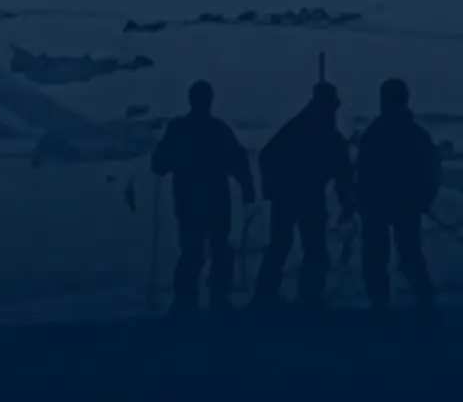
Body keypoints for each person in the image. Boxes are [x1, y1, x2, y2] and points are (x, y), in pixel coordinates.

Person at [152, 79, 255, 315]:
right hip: (214, 200)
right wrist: (247, 187)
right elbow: (238, 161)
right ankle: (214, 299)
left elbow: (159, 163)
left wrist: (164, 163)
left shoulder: (179, 129)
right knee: (216, 250)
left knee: (195, 251)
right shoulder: (217, 130)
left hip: (190, 201)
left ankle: (187, 301)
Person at [254, 77, 355, 311]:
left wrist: (347, 203)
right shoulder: (302, 130)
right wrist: (272, 188)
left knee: (310, 249)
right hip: (292, 197)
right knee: (286, 246)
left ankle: (305, 297)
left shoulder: (323, 135)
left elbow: (343, 174)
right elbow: (266, 157)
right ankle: (270, 296)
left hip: (304, 197)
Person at [354, 78, 441, 315]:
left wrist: (424, 198)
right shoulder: (408, 134)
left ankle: (420, 305)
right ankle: (387, 306)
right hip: (385, 205)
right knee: (384, 258)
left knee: (404, 256)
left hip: (400, 205)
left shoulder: (383, 134)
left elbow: (430, 169)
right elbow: (364, 172)